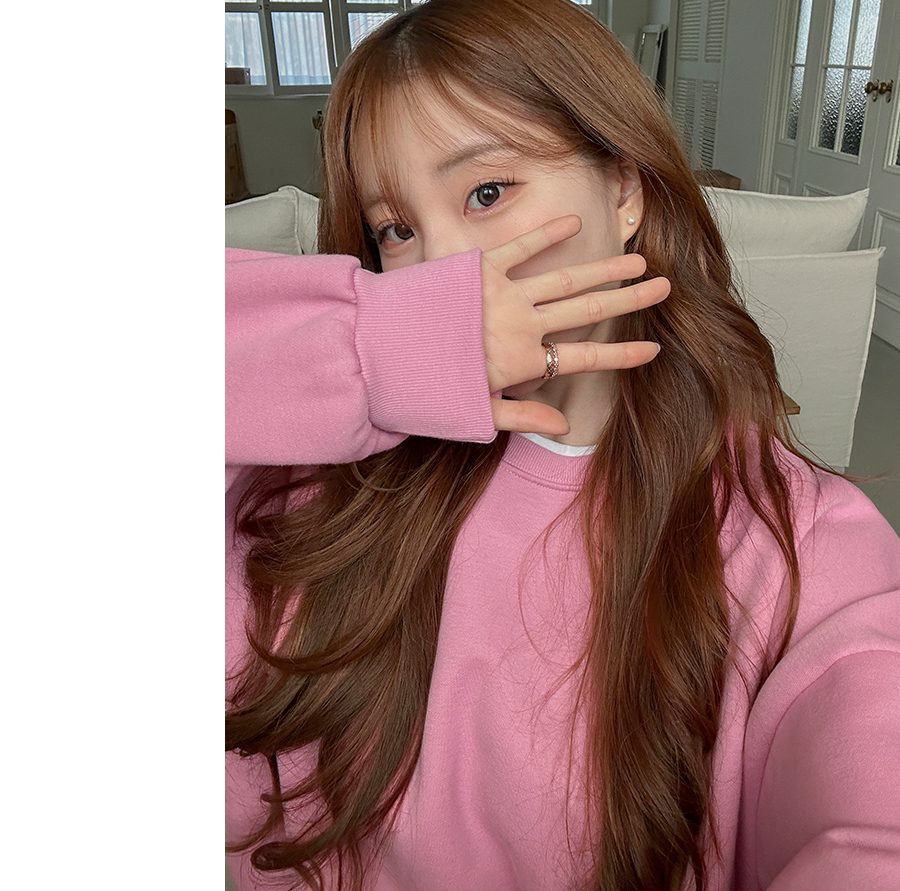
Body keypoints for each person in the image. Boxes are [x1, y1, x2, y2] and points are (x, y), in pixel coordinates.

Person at [225, 1, 900, 889]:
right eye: (397, 230)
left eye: (488, 192)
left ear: (624, 192)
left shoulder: (795, 541)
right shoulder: (310, 482)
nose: (445, 271)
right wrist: (384, 349)